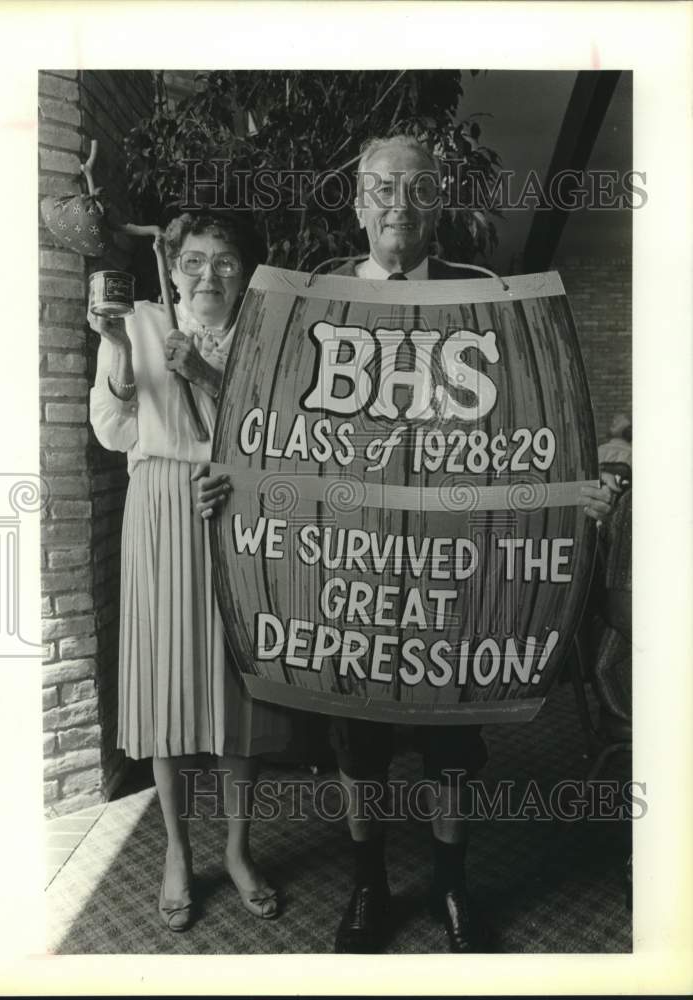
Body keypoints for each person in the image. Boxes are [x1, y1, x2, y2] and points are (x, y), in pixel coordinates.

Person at [327, 135, 617, 953]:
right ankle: (366, 886)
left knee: (454, 744)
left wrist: (576, 493)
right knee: (360, 747)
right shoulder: (314, 296)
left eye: (417, 190)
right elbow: (272, 434)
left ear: (438, 205)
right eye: (382, 188)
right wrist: (225, 487)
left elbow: (533, 423)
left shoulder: (488, 295)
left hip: (458, 570)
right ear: (356, 200)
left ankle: (452, 889)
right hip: (348, 564)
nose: (398, 205)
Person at [89, 207, 290, 932]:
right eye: (195, 261)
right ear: (171, 270)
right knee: (167, 687)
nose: (209, 275)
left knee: (239, 690)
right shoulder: (137, 319)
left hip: (235, 508)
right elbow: (112, 429)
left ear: (245, 275)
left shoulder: (264, 333)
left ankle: (236, 850)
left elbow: (280, 434)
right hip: (159, 509)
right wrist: (116, 351)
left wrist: (204, 372)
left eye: (226, 262)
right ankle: (177, 851)